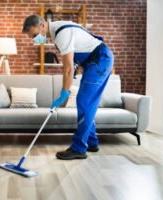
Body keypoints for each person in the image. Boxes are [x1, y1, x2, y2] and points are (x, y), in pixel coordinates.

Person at [22, 15, 114, 160]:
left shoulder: (61, 33)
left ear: (42, 26)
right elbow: (78, 50)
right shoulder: (57, 32)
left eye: (34, 35)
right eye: (31, 37)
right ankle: (91, 142)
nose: (34, 39)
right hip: (95, 61)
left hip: (100, 60)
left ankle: (79, 148)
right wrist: (76, 65)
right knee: (86, 103)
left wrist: (64, 92)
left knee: (84, 102)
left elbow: (68, 68)